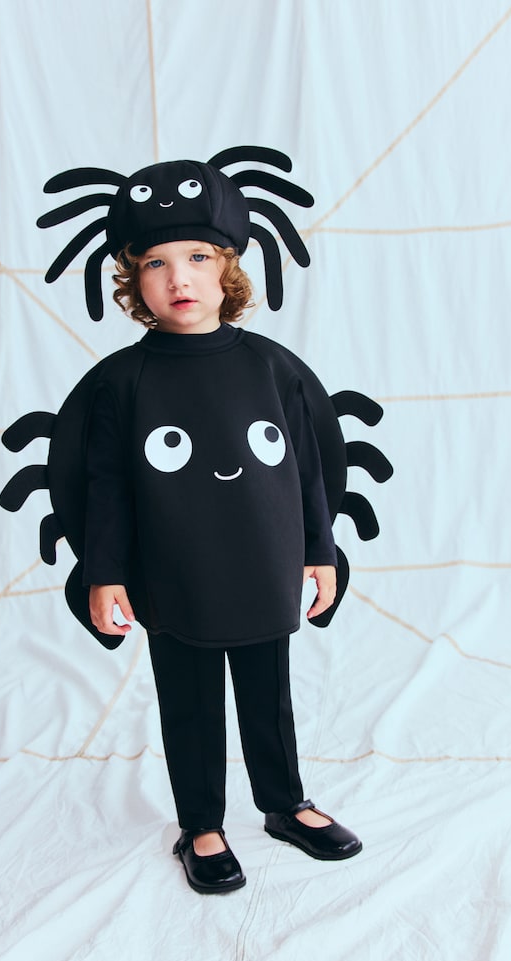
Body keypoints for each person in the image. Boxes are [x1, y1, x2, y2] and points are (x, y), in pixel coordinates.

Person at [84, 233, 362, 895]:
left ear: (227, 270)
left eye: (197, 259)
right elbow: (106, 484)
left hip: (264, 562)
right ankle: (201, 825)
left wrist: (319, 550)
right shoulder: (124, 380)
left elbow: (306, 465)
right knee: (189, 700)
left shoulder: (270, 365)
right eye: (156, 264)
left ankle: (284, 804)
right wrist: (104, 573)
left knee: (269, 694)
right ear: (135, 282)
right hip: (171, 571)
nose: (178, 278)